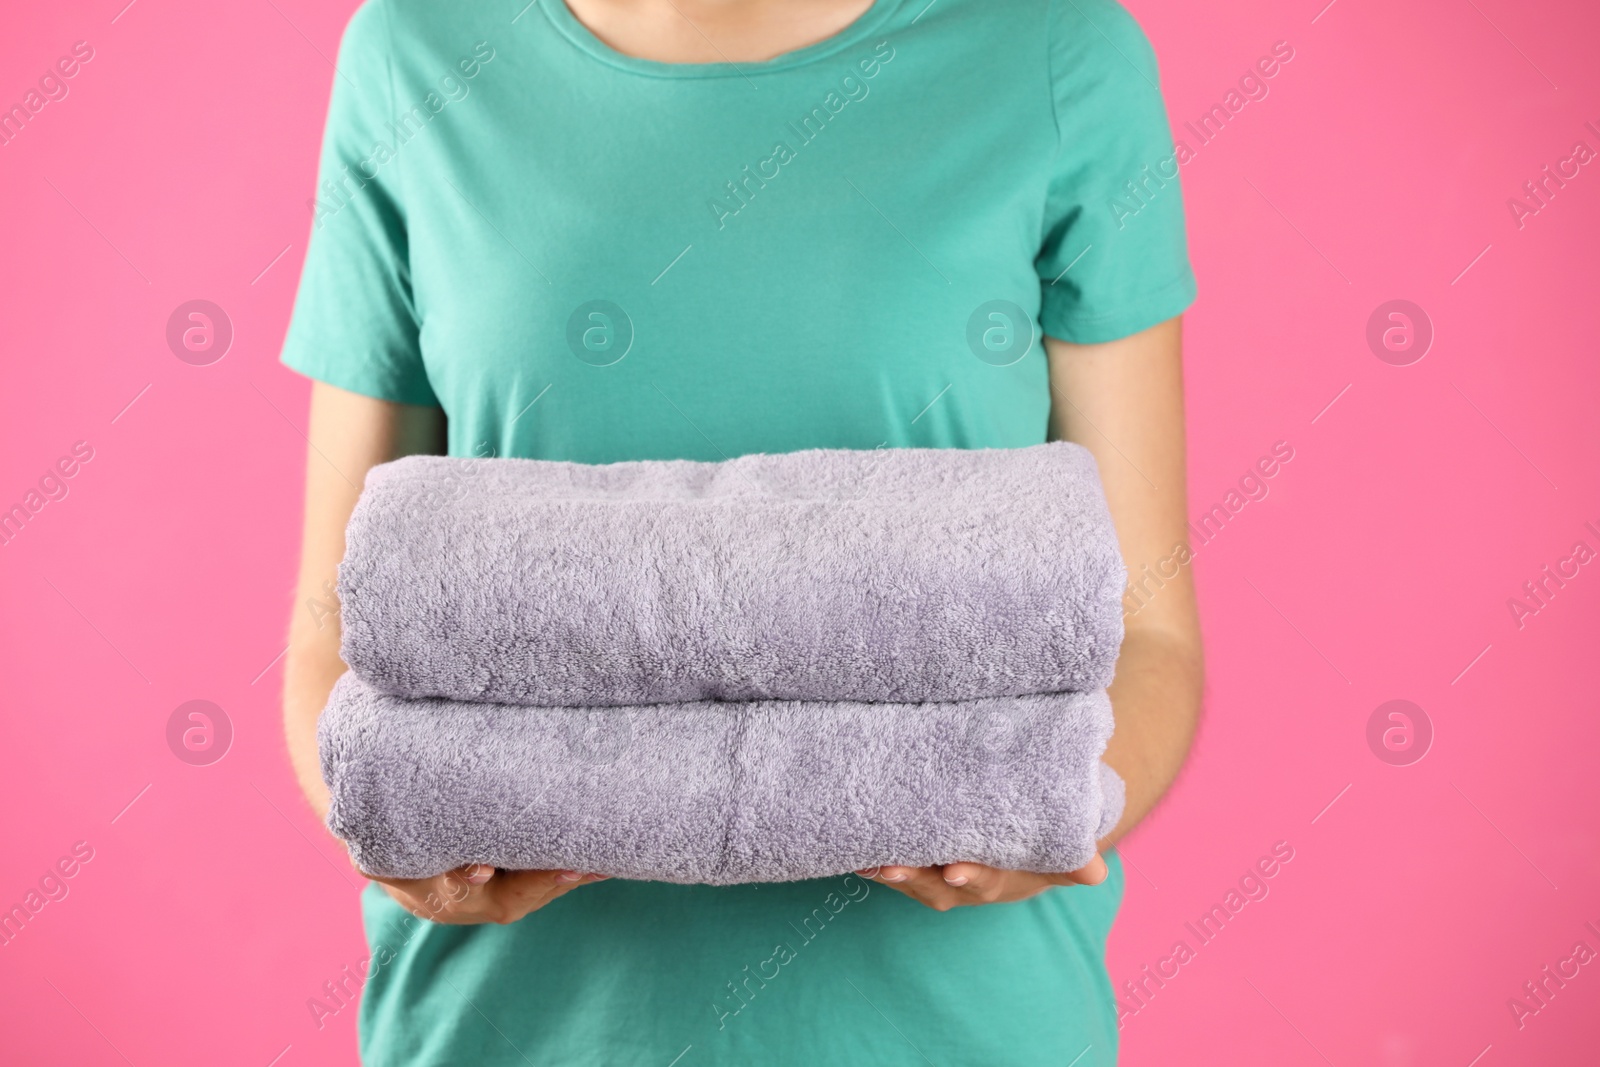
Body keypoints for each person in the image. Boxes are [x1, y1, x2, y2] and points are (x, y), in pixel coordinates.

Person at [280, 0, 1203, 1062]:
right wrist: (399, 826)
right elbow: (341, 627)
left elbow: (1148, 631)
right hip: (518, 1024)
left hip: (953, 1026)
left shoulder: (1053, 49)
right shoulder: (418, 51)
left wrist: (1047, 806)